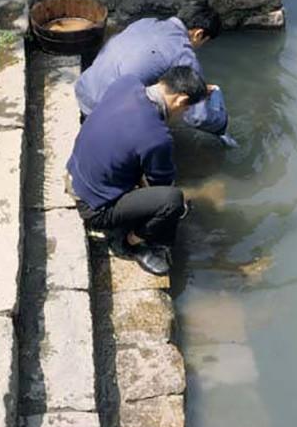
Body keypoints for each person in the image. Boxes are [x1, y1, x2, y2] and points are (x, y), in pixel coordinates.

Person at [66, 66, 209, 276]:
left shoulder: (127, 83)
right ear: (180, 100)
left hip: (74, 174)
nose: (183, 114)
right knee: (173, 201)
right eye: (186, 108)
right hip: (95, 208)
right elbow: (162, 186)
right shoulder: (157, 137)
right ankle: (131, 243)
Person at [75, 0, 236, 144]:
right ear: (198, 34)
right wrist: (222, 124)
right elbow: (198, 117)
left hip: (84, 92)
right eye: (204, 42)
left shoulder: (145, 23)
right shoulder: (183, 53)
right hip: (106, 115)